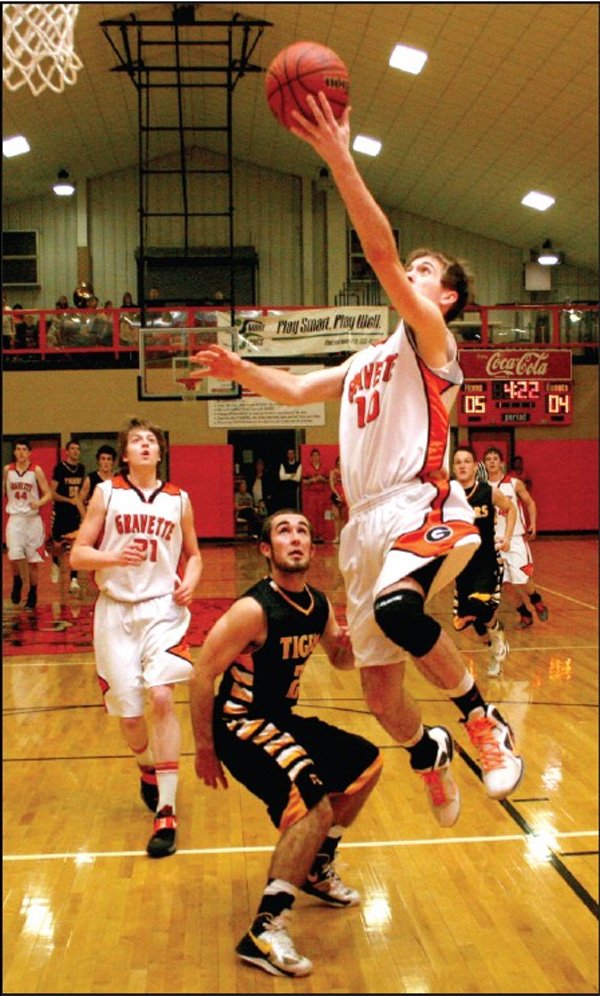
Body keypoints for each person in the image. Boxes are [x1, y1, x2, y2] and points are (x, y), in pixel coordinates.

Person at [190, 91, 524, 828]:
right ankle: (429, 750)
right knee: (380, 694)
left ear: (448, 294)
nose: (413, 268)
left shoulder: (432, 339)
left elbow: (377, 253)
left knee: (403, 612)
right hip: (363, 526)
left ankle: (483, 719)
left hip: (420, 500)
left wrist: (338, 153)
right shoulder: (367, 357)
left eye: (427, 267)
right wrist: (236, 370)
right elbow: (297, 387)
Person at [189, 509, 382, 977]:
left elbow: (337, 659)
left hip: (281, 719)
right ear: (265, 549)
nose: (295, 538)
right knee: (313, 806)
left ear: (311, 548)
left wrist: (354, 641)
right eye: (283, 531)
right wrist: (205, 748)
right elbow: (202, 673)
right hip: (240, 725)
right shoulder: (253, 609)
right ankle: (265, 929)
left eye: (302, 531)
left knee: (365, 764)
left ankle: (315, 867)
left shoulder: (317, 604)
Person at [70, 417, 203, 858]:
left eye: (151, 441)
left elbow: (194, 554)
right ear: (125, 455)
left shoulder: (179, 499)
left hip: (163, 609)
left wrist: (192, 580)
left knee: (162, 696)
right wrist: (112, 555)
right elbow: (77, 554)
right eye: (136, 442)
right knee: (129, 716)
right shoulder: (107, 492)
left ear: (160, 452)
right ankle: (147, 767)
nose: (145, 446)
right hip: (115, 612)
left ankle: (166, 809)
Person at [452, 446, 516, 677]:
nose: (462, 465)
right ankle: (492, 644)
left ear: (474, 465)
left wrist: (507, 537)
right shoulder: (449, 496)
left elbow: (510, 509)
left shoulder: (487, 492)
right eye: (457, 461)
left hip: (485, 561)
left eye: (466, 461)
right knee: (470, 623)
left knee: (480, 605)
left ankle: (498, 637)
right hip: (460, 564)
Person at [484, 447, 548, 629]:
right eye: (488, 459)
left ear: (501, 462)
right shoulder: (482, 487)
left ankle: (536, 599)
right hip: (494, 541)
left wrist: (533, 523)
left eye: (495, 458)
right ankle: (524, 614)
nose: (492, 461)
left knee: (523, 579)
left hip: (515, 539)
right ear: (484, 463)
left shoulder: (514, 483)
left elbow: (530, 502)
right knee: (504, 584)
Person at [3, 438, 53, 609]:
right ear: (15, 452)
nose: (21, 452)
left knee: (33, 561)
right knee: (13, 556)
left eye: (25, 449)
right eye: (18, 449)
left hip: (33, 520)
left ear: (30, 453)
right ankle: (17, 581)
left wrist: (40, 502)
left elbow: (48, 494)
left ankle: (33, 591)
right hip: (16, 519)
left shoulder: (36, 470)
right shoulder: (7, 470)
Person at [50, 439, 86, 593]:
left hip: (74, 514)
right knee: (58, 545)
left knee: (74, 547)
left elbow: (81, 492)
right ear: (67, 451)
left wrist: (81, 507)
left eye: (78, 449)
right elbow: (52, 493)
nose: (75, 451)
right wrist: (68, 500)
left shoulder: (81, 469)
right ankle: (56, 562)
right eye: (72, 448)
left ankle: (74, 579)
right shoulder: (60, 468)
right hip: (61, 512)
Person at [302, 448, 329, 542]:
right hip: (311, 494)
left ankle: (321, 536)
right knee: (312, 515)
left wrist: (322, 479)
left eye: (317, 455)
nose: (316, 457)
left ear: (319, 457)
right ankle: (313, 536)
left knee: (321, 514)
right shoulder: (307, 468)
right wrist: (311, 480)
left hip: (321, 493)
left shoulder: (324, 468)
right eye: (314, 456)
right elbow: (304, 481)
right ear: (311, 457)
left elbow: (328, 480)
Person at [329, 454, 348, 544]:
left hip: (344, 493)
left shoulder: (346, 472)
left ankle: (343, 536)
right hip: (336, 493)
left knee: (343, 516)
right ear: (336, 462)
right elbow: (332, 485)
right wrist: (337, 494)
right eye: (338, 461)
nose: (340, 463)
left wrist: (344, 495)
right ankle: (336, 536)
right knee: (336, 516)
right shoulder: (333, 472)